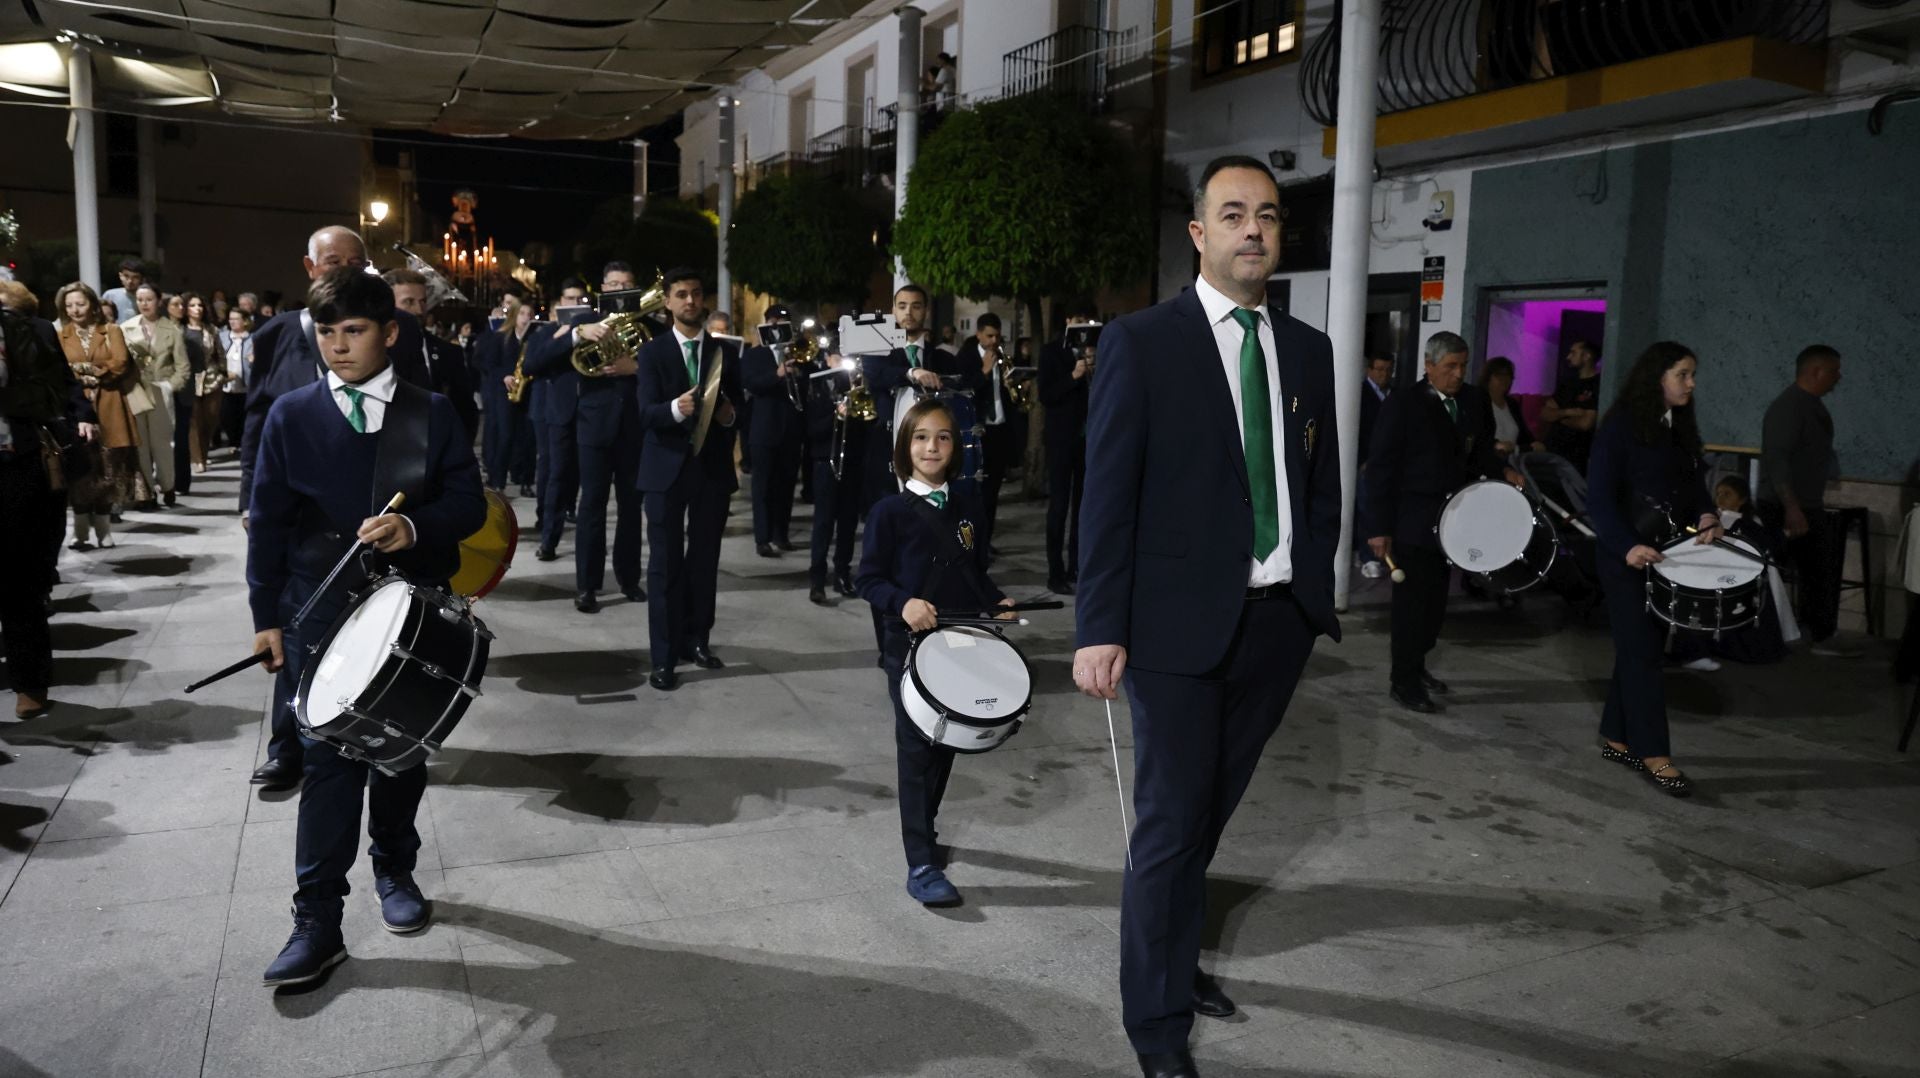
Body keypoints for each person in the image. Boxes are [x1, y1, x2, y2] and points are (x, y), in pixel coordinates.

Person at [1074, 155, 1342, 1078]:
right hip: (1173, 631)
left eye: (1267, 215)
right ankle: (1155, 1024)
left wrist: (1311, 599)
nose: (1254, 230)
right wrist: (1099, 624)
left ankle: (1178, 963)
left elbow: (1320, 486)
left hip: (1275, 627)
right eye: (1233, 214)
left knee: (1207, 820)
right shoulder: (1143, 342)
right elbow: (1106, 494)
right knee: (1170, 824)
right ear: (1199, 233)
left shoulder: (1309, 349)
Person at [247, 269, 485, 988]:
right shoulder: (291, 414)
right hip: (316, 607)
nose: (338, 346)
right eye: (326, 333)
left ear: (389, 333)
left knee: (401, 754)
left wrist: (414, 525)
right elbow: (269, 521)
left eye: (353, 331)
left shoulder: (432, 412)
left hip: (407, 606)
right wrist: (266, 617)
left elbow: (470, 505)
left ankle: (395, 871)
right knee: (325, 765)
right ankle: (316, 921)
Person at [857, 399, 1014, 908]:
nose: (932, 447)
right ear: (905, 446)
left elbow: (974, 571)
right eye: (922, 437)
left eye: (943, 437)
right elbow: (869, 580)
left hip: (960, 644)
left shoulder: (969, 503)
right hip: (908, 652)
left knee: (946, 748)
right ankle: (920, 860)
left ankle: (925, 830)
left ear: (956, 447)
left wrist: (995, 602)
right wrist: (902, 604)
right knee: (915, 753)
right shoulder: (889, 511)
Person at [1586, 341, 1722, 799]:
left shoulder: (1678, 424)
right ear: (1657, 377)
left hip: (1666, 555)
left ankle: (1616, 736)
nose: (1692, 383)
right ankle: (1655, 755)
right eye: (1683, 374)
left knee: (1637, 648)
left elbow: (1694, 484)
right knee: (1644, 652)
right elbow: (1599, 499)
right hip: (1623, 556)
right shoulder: (1620, 427)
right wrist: (1626, 546)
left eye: (1692, 374)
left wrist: (1707, 515)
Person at [1364, 332, 1525, 713]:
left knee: (1436, 604)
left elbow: (1482, 450)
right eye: (1449, 366)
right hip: (1412, 520)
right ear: (1429, 365)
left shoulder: (1473, 400)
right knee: (1411, 605)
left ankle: (1418, 665)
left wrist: (1503, 469)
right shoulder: (1404, 403)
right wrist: (1378, 527)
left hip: (1456, 519)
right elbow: (1381, 469)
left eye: (1462, 366)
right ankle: (1403, 681)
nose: (1457, 374)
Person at [240, 226, 430, 521]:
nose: (346, 271)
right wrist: (250, 501)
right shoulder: (276, 334)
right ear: (310, 267)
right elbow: (258, 422)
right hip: (300, 498)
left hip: (381, 496)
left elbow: (421, 408)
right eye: (333, 262)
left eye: (355, 264)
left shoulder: (400, 326)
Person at [634, 268, 742, 691]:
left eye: (697, 294)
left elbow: (740, 411)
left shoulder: (724, 352)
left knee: (704, 563)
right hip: (664, 472)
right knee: (664, 567)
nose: (690, 301)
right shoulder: (653, 352)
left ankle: (698, 640)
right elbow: (644, 414)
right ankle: (663, 658)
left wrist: (728, 414)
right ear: (668, 303)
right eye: (681, 295)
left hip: (712, 472)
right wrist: (676, 409)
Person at [525, 267, 645, 612]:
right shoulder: (585, 320)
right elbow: (536, 360)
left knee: (631, 508)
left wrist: (634, 368)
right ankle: (587, 586)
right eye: (614, 284)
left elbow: (665, 365)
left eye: (627, 284)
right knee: (591, 506)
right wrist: (577, 333)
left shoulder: (649, 324)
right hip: (592, 426)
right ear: (602, 288)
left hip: (633, 425)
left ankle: (629, 578)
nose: (620, 289)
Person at [0, 301, 71, 719]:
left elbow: (56, 389)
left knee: (18, 578)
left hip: (14, 464)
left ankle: (30, 681)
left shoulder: (26, 331)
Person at [861, 284, 983, 511]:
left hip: (931, 462)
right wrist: (912, 372)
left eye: (916, 306)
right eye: (902, 306)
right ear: (894, 311)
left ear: (926, 311)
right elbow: (875, 373)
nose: (908, 313)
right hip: (886, 458)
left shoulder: (943, 358)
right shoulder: (878, 352)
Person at [1761, 344, 1849, 655]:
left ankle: (1818, 633)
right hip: (1786, 505)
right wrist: (1792, 507)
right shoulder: (1789, 407)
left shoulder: (1812, 406)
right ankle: (1800, 634)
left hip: (1806, 503)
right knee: (1790, 570)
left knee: (1818, 572)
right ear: (1815, 371)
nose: (1839, 377)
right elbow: (1776, 458)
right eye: (1834, 370)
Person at [56, 283, 148, 550]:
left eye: (80, 304)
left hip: (111, 405)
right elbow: (62, 372)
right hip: (76, 409)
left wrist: (83, 371)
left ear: (93, 305)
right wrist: (91, 371)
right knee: (80, 470)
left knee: (109, 469)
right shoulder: (60, 335)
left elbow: (119, 363)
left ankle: (104, 530)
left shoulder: (111, 331)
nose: (74, 310)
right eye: (69, 305)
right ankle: (81, 531)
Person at [956, 313, 1028, 547]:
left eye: (997, 336)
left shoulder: (1002, 357)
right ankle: (970, 542)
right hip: (979, 430)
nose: (994, 340)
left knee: (993, 491)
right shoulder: (966, 358)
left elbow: (1009, 393)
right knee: (975, 491)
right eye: (989, 335)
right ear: (978, 335)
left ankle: (985, 541)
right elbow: (964, 391)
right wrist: (985, 371)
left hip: (1000, 429)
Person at [1038, 304, 1095, 594]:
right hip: (1061, 439)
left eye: (1087, 321)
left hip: (1088, 439)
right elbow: (1045, 394)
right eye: (1078, 319)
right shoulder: (1051, 351)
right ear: (1068, 320)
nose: (1082, 325)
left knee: (1084, 508)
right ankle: (1055, 572)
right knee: (1059, 507)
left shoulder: (1096, 351)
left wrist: (1093, 370)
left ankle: (1077, 567)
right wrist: (1073, 376)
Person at [386, 269, 479, 442]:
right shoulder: (376, 352)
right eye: (409, 302)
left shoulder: (449, 353)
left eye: (422, 301)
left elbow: (465, 409)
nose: (419, 309)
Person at [740, 305, 804, 558]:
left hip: (790, 428)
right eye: (774, 322)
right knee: (762, 486)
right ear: (766, 323)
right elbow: (751, 383)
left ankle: (782, 534)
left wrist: (800, 371)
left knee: (786, 485)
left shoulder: (797, 354)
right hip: (764, 429)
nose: (778, 326)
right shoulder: (754, 355)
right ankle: (762, 538)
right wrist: (777, 374)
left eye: (783, 322)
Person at [806, 343, 867, 605]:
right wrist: (836, 416)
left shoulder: (858, 385)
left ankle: (843, 573)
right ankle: (817, 579)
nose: (843, 363)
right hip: (825, 462)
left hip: (853, 460)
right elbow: (809, 431)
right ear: (829, 359)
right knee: (823, 522)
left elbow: (869, 421)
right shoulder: (817, 387)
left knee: (848, 521)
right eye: (838, 358)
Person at [122, 283, 187, 507]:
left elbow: (182, 365)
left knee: (162, 443)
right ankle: (146, 492)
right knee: (140, 443)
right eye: (140, 300)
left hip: (161, 388)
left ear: (158, 301)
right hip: (136, 390)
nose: (144, 304)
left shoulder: (172, 329)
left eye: (149, 299)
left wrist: (170, 386)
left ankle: (168, 485)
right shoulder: (126, 328)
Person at [477, 295, 538, 496]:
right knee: (505, 436)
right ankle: (498, 481)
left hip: (528, 393)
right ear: (514, 314)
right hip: (505, 393)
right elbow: (487, 364)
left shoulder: (534, 337)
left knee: (528, 439)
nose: (526, 317)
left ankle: (526, 481)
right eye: (522, 313)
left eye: (529, 314)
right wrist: (504, 376)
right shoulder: (500, 336)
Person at [1540, 338, 1601, 474]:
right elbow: (1544, 413)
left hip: (1576, 454)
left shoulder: (1597, 385)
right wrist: (1569, 412)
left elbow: (1585, 423)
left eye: (1573, 352)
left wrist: (1558, 416)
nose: (1568, 356)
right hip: (1551, 449)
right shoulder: (1567, 383)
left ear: (1587, 356)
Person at [183, 293, 225, 473]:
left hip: (211, 377)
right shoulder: (179, 330)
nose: (197, 309)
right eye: (193, 305)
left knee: (210, 418)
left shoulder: (211, 330)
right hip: (189, 378)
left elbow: (220, 352)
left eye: (200, 305)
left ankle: (204, 453)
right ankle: (197, 459)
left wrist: (223, 372)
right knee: (194, 419)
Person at [1482, 355, 1540, 459]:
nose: (1504, 380)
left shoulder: (1512, 404)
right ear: (1488, 377)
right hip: (1489, 459)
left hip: (1514, 460)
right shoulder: (1479, 400)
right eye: (1499, 375)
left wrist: (1535, 444)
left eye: (1508, 376)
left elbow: (1524, 434)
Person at [216, 308, 253, 451]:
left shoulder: (253, 338)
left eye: (236, 319)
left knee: (243, 413)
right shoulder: (222, 336)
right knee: (227, 414)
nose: (232, 322)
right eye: (230, 319)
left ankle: (243, 443)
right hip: (226, 383)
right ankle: (233, 442)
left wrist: (253, 360)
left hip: (246, 383)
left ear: (245, 321)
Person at [99, 258, 142, 327]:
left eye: (135, 277)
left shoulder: (144, 298)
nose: (130, 281)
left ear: (141, 279)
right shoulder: (110, 295)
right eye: (126, 276)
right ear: (120, 276)